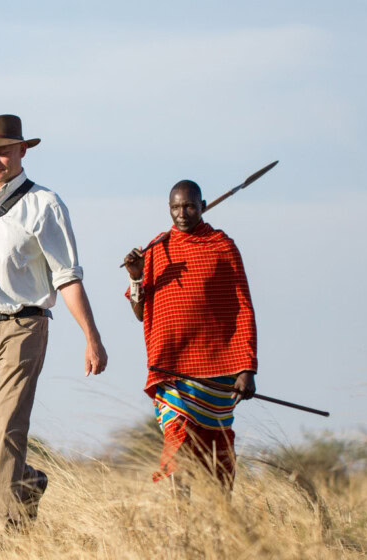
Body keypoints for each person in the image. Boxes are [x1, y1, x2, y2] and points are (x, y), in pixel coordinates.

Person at [0, 114, 107, 528]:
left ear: (22, 151)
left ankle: (4, 529)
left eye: (4, 151)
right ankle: (25, 482)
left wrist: (91, 338)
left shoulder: (45, 204)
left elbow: (68, 277)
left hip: (23, 326)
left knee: (9, 425)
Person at [120, 180, 257, 491]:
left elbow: (243, 307)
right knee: (178, 446)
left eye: (190, 206)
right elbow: (140, 312)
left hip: (217, 372)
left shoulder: (223, 247)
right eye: (175, 208)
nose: (182, 213)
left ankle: (221, 519)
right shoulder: (157, 247)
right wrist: (136, 275)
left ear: (203, 205)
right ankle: (184, 522)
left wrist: (247, 367)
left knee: (216, 450)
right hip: (172, 371)